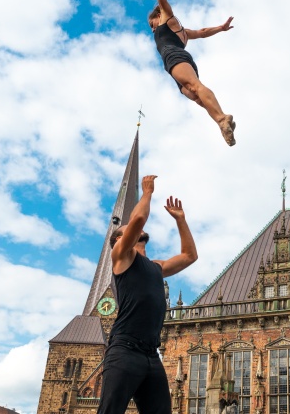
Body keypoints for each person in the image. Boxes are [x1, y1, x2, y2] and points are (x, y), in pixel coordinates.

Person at [98, 175, 199, 414]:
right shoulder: (121, 257)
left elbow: (189, 256)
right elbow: (140, 218)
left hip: (151, 356)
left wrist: (181, 221)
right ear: (119, 240)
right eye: (128, 229)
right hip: (124, 350)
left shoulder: (156, 267)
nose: (136, 228)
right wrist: (147, 193)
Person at [149, 0, 237, 146]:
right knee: (195, 96)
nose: (153, 29)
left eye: (152, 25)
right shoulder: (183, 33)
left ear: (158, 15)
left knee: (196, 86)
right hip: (178, 61)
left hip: (175, 57)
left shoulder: (166, 17)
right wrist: (220, 28)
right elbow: (202, 32)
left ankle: (222, 118)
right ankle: (222, 122)